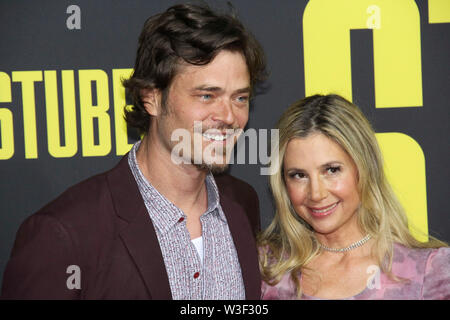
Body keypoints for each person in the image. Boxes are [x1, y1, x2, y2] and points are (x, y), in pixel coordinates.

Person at [2, 3, 267, 299]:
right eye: (207, 95)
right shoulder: (63, 235)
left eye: (240, 98)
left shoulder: (241, 203)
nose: (229, 116)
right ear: (151, 98)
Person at [259, 94, 449, 300]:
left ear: (364, 168)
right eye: (299, 175)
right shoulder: (268, 270)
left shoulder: (428, 272)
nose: (316, 193)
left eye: (331, 170)